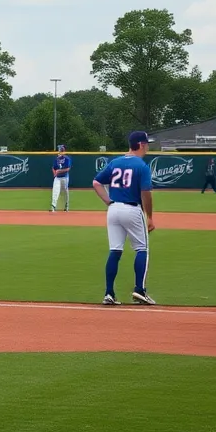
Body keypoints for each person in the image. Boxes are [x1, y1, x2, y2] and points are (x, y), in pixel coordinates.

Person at [92, 131, 156, 307]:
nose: (148, 147)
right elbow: (146, 193)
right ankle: (140, 290)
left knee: (115, 250)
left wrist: (108, 201)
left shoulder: (115, 162)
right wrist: (149, 216)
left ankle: (109, 293)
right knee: (142, 248)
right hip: (131, 209)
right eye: (147, 144)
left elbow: (96, 183)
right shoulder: (141, 166)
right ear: (141, 145)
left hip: (113, 210)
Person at [50, 144, 71, 212]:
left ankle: (66, 206)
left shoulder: (67, 158)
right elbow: (53, 168)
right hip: (58, 178)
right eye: (60, 149)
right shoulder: (56, 159)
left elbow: (68, 169)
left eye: (62, 149)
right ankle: (53, 206)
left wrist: (59, 171)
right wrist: (55, 173)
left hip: (65, 177)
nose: (60, 150)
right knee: (55, 190)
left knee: (65, 192)